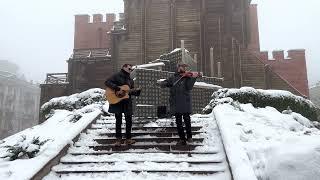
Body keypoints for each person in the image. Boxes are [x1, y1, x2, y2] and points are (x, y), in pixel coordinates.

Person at [159, 63, 201, 145]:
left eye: (185, 67)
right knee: (178, 121)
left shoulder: (187, 77)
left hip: (185, 101)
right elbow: (164, 83)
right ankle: (182, 139)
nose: (184, 68)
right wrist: (166, 84)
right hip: (175, 102)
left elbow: (189, 87)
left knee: (187, 120)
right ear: (178, 67)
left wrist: (193, 78)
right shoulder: (173, 77)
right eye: (183, 67)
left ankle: (189, 137)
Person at [105, 64, 141, 146]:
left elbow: (130, 92)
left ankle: (128, 139)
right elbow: (107, 82)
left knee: (129, 121)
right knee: (118, 121)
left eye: (131, 69)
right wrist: (118, 89)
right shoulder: (116, 76)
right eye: (129, 68)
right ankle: (118, 140)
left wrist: (137, 91)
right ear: (123, 67)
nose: (130, 70)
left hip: (127, 103)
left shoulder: (130, 80)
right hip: (117, 102)